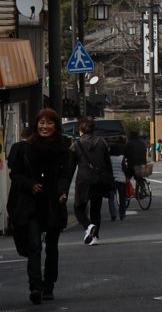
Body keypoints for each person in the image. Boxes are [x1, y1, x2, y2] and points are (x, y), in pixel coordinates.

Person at [7, 108, 72, 304]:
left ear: (56, 126)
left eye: (49, 123)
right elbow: (15, 175)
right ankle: (35, 286)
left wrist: (62, 191)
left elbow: (65, 174)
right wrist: (30, 185)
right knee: (34, 245)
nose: (44, 126)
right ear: (36, 125)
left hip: (53, 202)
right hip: (31, 203)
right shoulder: (23, 148)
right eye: (41, 122)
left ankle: (49, 285)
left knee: (52, 248)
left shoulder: (63, 149)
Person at [71, 117, 114, 246]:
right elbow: (108, 163)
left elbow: (70, 167)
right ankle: (94, 237)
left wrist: (64, 187)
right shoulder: (102, 142)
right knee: (96, 209)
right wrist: (111, 181)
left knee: (79, 208)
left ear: (81, 129)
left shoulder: (76, 144)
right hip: (99, 179)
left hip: (83, 180)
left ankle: (88, 226)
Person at [107, 142, 127, 221]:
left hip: (112, 180)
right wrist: (127, 175)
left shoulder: (109, 158)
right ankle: (122, 213)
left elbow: (107, 169)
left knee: (111, 198)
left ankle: (113, 214)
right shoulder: (122, 157)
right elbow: (124, 169)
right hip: (121, 180)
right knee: (122, 197)